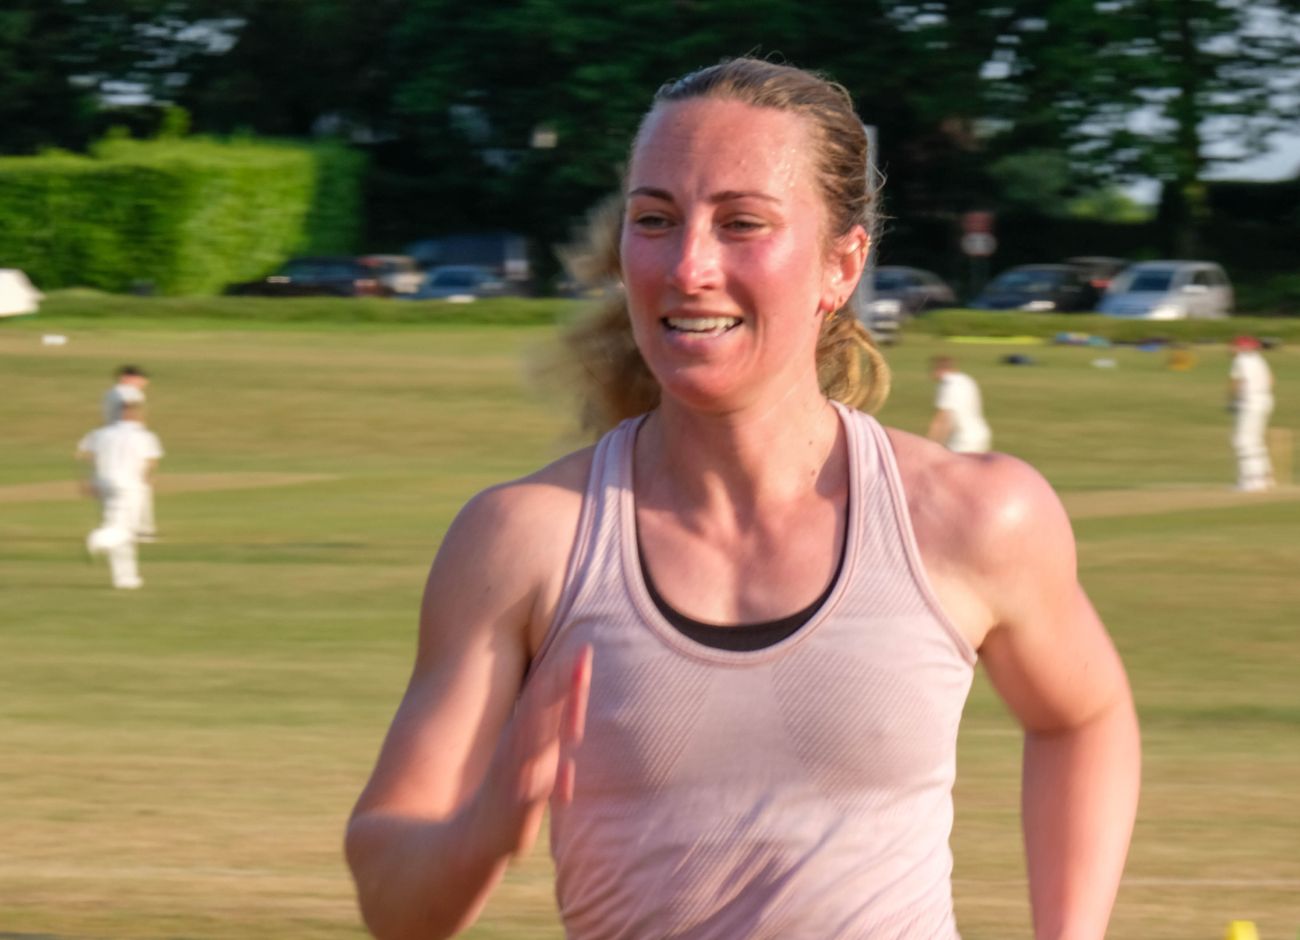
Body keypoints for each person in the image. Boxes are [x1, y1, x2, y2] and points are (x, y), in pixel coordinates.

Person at [345, 58, 1139, 940]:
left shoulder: (974, 518)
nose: (688, 266)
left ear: (841, 266)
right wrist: (485, 826)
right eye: (655, 220)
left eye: (741, 224)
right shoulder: (524, 541)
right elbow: (391, 900)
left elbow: (1084, 719)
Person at [77, 399, 163, 589]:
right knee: (125, 530)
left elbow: (85, 455)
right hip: (129, 485)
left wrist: (87, 481)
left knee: (118, 528)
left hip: (103, 484)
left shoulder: (101, 433)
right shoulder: (144, 436)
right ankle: (98, 539)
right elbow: (150, 462)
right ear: (135, 415)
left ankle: (126, 578)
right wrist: (148, 479)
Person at [101, 365, 158, 540]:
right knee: (139, 485)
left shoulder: (110, 393)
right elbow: (131, 411)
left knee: (115, 485)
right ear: (127, 378)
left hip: (112, 441)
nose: (143, 383)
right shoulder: (130, 393)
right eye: (140, 379)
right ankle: (142, 529)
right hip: (131, 442)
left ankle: (117, 526)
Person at [1227, 335, 1275, 492]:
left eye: (1234, 345)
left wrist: (1233, 401)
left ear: (1242, 347)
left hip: (1249, 402)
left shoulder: (1240, 360)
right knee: (1256, 440)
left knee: (1242, 441)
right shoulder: (1259, 359)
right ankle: (1265, 477)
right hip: (1265, 400)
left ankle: (1251, 481)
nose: (1231, 348)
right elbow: (1271, 380)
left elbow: (1238, 382)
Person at [927, 355, 992, 454]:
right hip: (980, 433)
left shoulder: (947, 384)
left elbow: (943, 417)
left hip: (961, 439)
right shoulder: (966, 380)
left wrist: (931, 443)